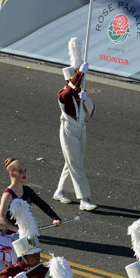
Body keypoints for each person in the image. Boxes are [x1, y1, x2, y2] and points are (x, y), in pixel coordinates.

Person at [53, 38, 97, 211]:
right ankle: (84, 199)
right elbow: (66, 94)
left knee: (71, 162)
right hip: (68, 130)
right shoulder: (63, 93)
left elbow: (92, 111)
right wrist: (80, 75)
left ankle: (60, 191)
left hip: (81, 129)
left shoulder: (79, 93)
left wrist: (86, 99)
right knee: (76, 164)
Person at [0, 158, 62, 236]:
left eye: (25, 170)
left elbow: (41, 204)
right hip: (9, 236)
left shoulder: (27, 190)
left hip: (26, 233)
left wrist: (55, 218)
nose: (24, 174)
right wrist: (19, 231)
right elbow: (0, 219)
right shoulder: (8, 194)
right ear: (11, 174)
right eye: (20, 171)